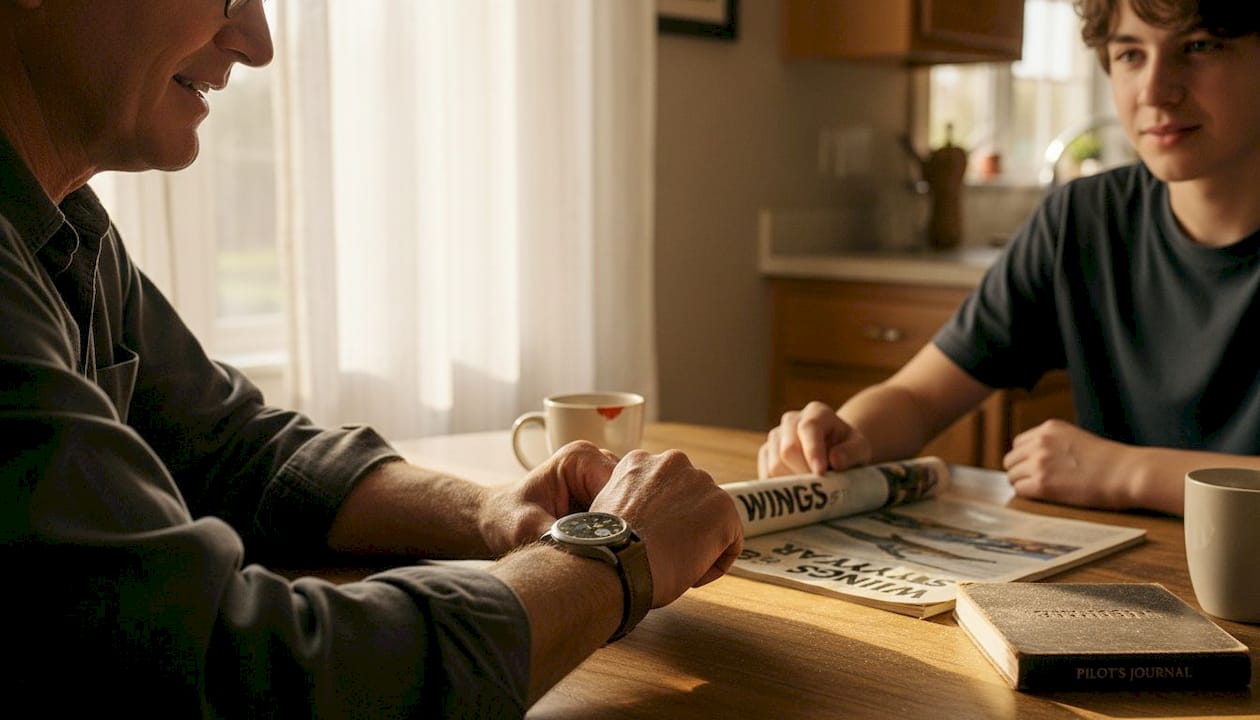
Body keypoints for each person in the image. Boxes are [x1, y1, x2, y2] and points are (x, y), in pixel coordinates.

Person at [0, 1, 743, 717]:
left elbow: (233, 451)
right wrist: (612, 555)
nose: (257, 41)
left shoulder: (64, 227)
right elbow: (252, 676)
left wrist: (489, 510)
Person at [760, 0, 1260, 518]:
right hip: (1123, 584)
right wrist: (843, 436)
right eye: (1130, 54)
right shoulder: (1081, 220)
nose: (1155, 92)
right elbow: (917, 396)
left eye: (1199, 47)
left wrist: (1124, 473)